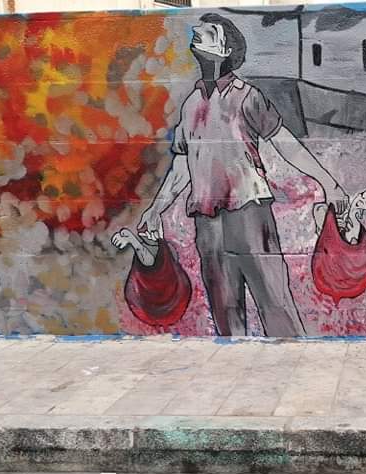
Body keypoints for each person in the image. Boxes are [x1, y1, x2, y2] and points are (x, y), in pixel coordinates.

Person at [134, 13, 349, 336]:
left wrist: (328, 183)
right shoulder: (192, 104)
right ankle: (231, 360)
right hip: (207, 222)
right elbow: (182, 166)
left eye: (209, 31)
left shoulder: (247, 96)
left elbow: (286, 145)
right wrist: (156, 209)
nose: (197, 31)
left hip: (249, 215)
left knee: (275, 303)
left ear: (224, 50)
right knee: (224, 309)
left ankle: (293, 357)